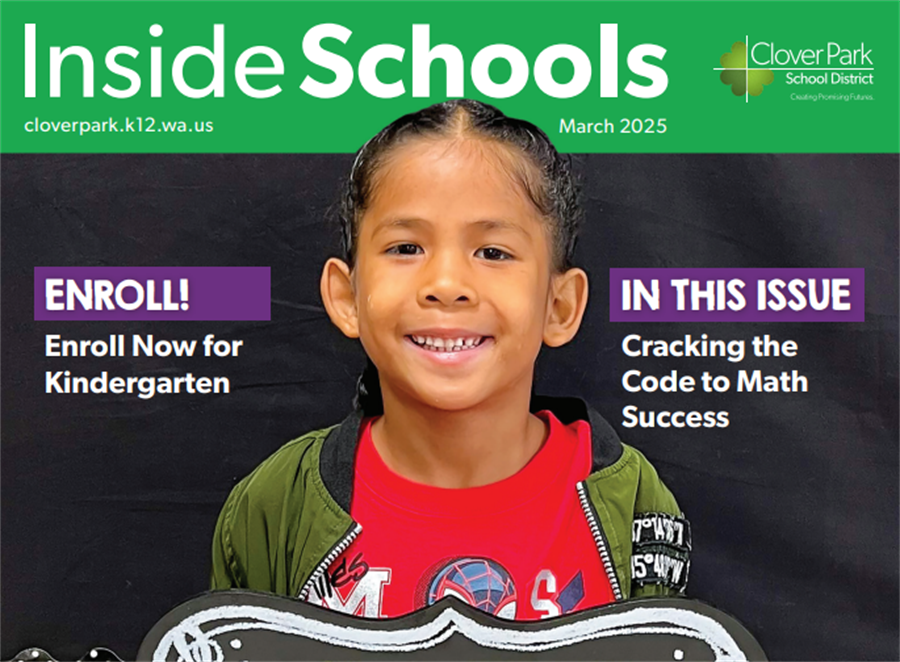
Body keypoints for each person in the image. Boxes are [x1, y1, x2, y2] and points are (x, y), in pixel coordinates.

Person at [210, 99, 690, 620]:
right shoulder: (280, 501)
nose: (446, 286)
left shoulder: (629, 496)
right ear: (347, 298)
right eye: (405, 248)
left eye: (493, 253)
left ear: (560, 306)